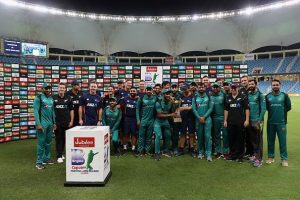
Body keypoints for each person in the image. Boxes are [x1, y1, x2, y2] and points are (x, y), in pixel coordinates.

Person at [265, 79, 291, 167]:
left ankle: (284, 159)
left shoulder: (284, 96)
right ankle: (270, 157)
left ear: (280, 85)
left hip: (281, 123)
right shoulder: (268, 96)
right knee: (270, 141)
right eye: (273, 85)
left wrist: (281, 114)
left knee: (282, 142)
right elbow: (268, 108)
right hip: (271, 123)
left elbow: (288, 107)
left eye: (277, 85)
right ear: (271, 86)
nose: (275, 86)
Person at [224, 83, 250, 162]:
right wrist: (225, 120)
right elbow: (226, 110)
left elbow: (247, 109)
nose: (233, 89)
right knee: (231, 139)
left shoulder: (243, 97)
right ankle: (232, 155)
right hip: (230, 122)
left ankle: (240, 156)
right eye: (232, 88)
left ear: (237, 88)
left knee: (240, 139)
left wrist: (247, 120)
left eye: (235, 88)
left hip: (240, 122)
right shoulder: (228, 98)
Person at [33, 83, 56, 170]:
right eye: (46, 88)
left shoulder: (51, 98)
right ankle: (39, 162)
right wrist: (38, 124)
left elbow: (52, 111)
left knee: (48, 142)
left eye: (49, 88)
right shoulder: (38, 98)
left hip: (50, 124)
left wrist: (54, 122)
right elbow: (35, 111)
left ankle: (47, 159)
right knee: (41, 143)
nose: (48, 90)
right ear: (42, 89)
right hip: (42, 124)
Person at [53, 83, 74, 163]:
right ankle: (59, 156)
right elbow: (51, 111)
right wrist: (53, 122)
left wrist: (71, 121)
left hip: (66, 122)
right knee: (58, 139)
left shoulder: (68, 98)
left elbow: (71, 110)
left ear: (65, 89)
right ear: (58, 89)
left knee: (64, 138)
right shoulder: (53, 98)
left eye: (63, 88)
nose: (61, 89)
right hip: (57, 122)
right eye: (60, 88)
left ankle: (61, 153)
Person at [247, 79, 266, 167]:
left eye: (252, 84)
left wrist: (259, 120)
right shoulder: (249, 94)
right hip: (250, 120)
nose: (250, 85)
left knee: (258, 141)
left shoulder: (260, 95)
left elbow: (263, 109)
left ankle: (259, 159)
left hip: (257, 121)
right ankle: (255, 156)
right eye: (249, 84)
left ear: (256, 84)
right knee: (253, 140)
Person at [192, 83, 213, 161]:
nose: (201, 88)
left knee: (207, 137)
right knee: (200, 137)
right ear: (198, 88)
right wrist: (199, 117)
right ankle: (200, 152)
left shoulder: (209, 96)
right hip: (198, 119)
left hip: (207, 119)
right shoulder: (195, 97)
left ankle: (208, 154)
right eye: (200, 87)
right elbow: (193, 109)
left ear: (205, 88)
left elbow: (211, 108)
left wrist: (204, 117)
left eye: (203, 87)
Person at [153, 89, 176, 160]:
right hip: (158, 121)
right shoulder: (158, 102)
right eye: (166, 94)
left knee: (168, 135)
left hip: (165, 121)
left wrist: (175, 105)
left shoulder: (171, 102)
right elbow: (159, 115)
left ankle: (166, 150)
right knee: (158, 135)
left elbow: (174, 109)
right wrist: (171, 114)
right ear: (163, 95)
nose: (168, 95)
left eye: (169, 94)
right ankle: (157, 152)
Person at [136, 86, 157, 156]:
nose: (148, 91)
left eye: (150, 90)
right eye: (147, 90)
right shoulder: (141, 98)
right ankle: (140, 151)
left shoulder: (155, 98)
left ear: (152, 90)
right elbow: (137, 109)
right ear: (145, 90)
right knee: (141, 136)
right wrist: (138, 120)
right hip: (143, 120)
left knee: (149, 136)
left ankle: (147, 151)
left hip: (151, 120)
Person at [210, 82, 229, 159]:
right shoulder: (210, 96)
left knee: (225, 135)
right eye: (214, 87)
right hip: (214, 118)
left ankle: (226, 151)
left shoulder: (223, 95)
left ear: (219, 88)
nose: (215, 88)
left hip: (223, 118)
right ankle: (218, 151)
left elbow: (227, 107)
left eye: (216, 87)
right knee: (216, 135)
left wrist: (226, 119)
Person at [178, 84, 195, 156]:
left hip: (191, 118)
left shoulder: (193, 96)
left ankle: (191, 149)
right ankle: (181, 149)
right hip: (183, 118)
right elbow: (178, 107)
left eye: (185, 89)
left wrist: (183, 108)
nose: (184, 91)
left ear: (189, 89)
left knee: (191, 134)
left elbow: (193, 107)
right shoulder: (180, 96)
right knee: (182, 134)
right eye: (182, 89)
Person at [121, 87, 139, 152]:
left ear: (136, 92)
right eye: (131, 91)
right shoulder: (125, 99)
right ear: (129, 92)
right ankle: (125, 148)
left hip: (134, 119)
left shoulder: (138, 100)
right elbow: (120, 107)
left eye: (134, 91)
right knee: (126, 133)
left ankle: (133, 148)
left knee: (134, 134)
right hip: (127, 118)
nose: (132, 92)